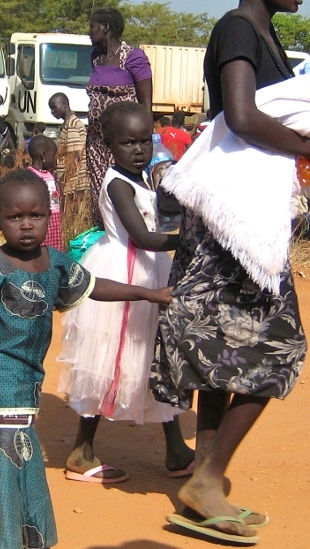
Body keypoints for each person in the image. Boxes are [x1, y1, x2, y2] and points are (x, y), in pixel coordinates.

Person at [149, 0, 310, 544]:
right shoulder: (236, 28)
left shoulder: (268, 39)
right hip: (229, 227)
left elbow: (276, 110)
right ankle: (207, 476)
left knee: (221, 357)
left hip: (238, 220)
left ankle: (204, 485)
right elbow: (240, 114)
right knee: (279, 348)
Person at [0, 168, 171, 549]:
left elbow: (92, 285)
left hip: (28, 377)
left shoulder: (56, 263)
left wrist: (146, 293)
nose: (26, 225)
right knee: (9, 449)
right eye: (15, 217)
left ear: (48, 216)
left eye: (35, 216)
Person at [58, 102, 193, 483]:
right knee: (110, 359)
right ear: (109, 145)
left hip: (148, 271)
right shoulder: (117, 184)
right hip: (128, 272)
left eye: (144, 141)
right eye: (128, 143)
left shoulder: (140, 179)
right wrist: (190, 241)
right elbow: (143, 236)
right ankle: (82, 450)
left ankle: (176, 449)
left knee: (153, 357)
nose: (139, 150)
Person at [86, 6, 153, 228]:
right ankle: (105, 237)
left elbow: (145, 104)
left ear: (105, 28)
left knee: (123, 193)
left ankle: (133, 237)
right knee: (101, 198)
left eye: (92, 27)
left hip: (123, 144)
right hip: (96, 145)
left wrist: (144, 139)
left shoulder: (133, 58)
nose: (89, 32)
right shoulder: (96, 57)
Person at [48, 92, 88, 213]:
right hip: (71, 182)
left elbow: (75, 157)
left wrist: (64, 182)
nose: (52, 112)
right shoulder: (67, 124)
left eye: (54, 107)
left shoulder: (72, 124)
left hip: (73, 183)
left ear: (64, 104)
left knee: (71, 214)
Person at [27, 135, 63, 251]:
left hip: (54, 222)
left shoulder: (50, 175)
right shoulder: (30, 176)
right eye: (53, 155)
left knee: (53, 253)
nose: (55, 159)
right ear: (43, 156)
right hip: (40, 222)